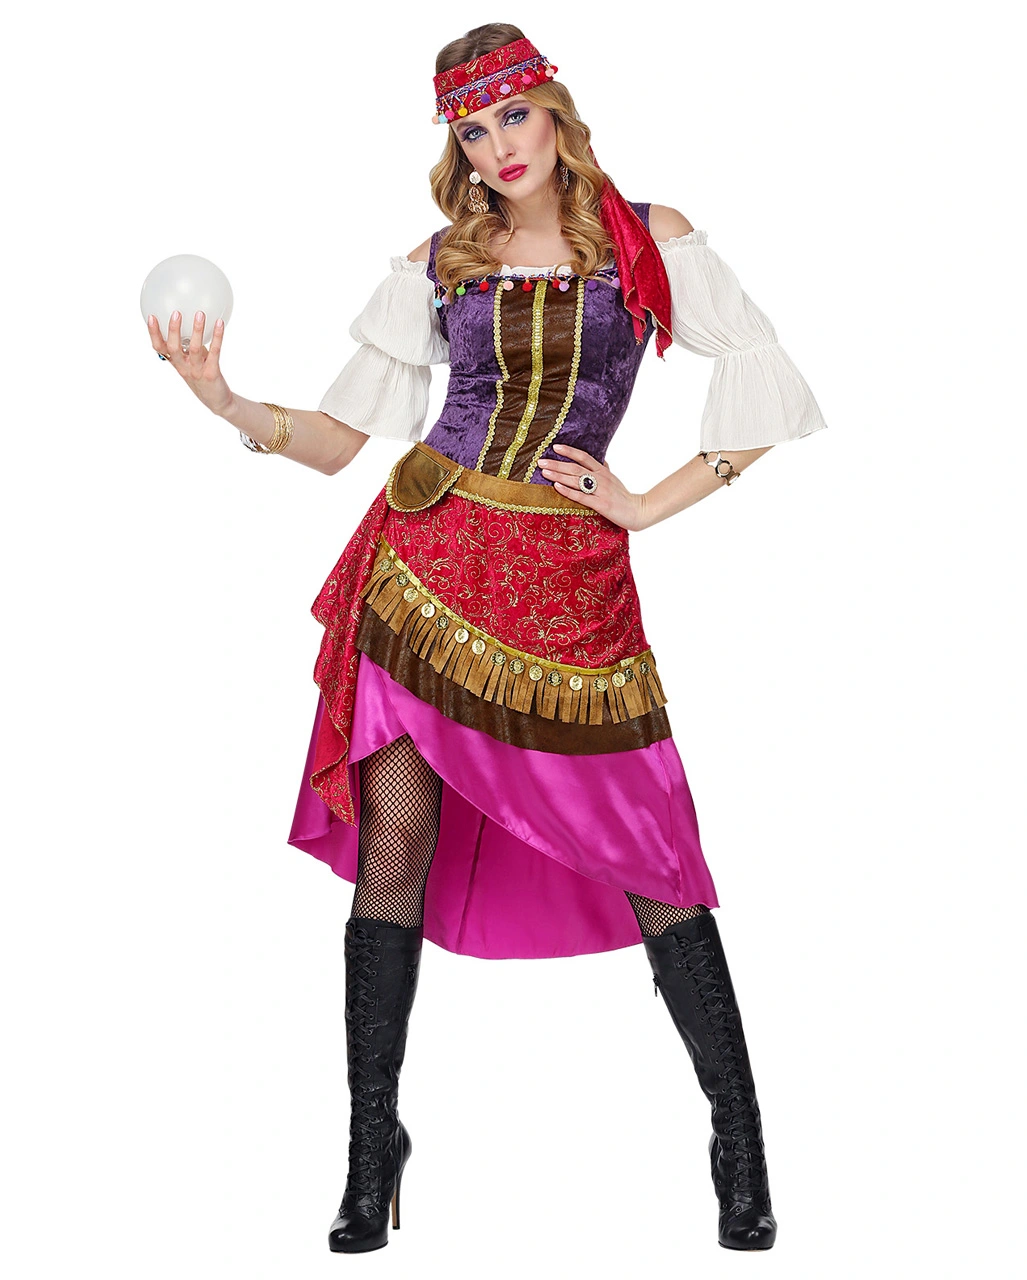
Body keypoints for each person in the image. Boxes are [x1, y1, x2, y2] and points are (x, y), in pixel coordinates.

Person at [145, 22, 826, 1255]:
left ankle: (739, 1138)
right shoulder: (440, 261)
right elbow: (339, 441)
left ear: (555, 111)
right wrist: (224, 400)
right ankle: (371, 1148)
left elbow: (763, 388)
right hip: (423, 573)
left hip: (570, 587)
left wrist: (643, 504)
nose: (498, 146)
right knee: (395, 839)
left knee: (653, 852)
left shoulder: (646, 238)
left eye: (513, 116)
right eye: (472, 130)